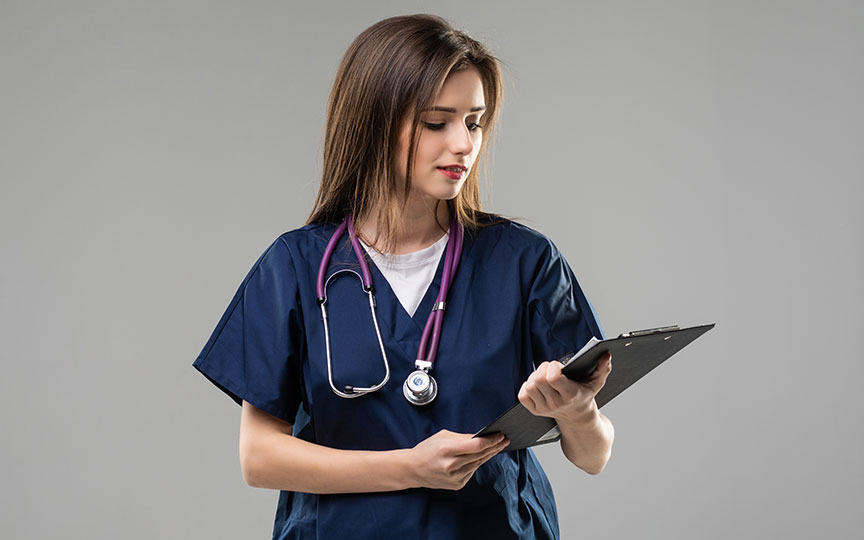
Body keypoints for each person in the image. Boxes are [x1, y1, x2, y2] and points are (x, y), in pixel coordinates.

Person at [193, 14, 614, 540]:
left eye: (474, 122)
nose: (464, 144)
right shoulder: (295, 267)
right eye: (437, 123)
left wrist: (578, 412)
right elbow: (259, 458)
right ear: (373, 124)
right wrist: (410, 468)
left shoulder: (523, 261)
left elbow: (593, 456)